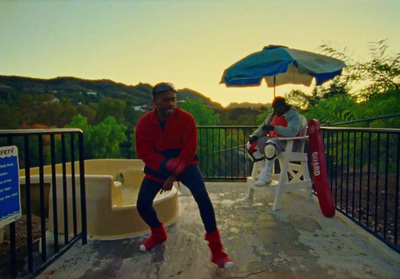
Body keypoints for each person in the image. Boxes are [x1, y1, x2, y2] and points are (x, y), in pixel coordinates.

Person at [135, 82, 234, 269]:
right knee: (142, 205)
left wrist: (173, 176)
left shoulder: (186, 119)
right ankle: (158, 234)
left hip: (185, 163)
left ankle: (217, 250)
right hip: (158, 165)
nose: (171, 104)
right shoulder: (144, 123)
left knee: (203, 198)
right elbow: (144, 151)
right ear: (154, 101)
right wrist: (166, 167)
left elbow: (189, 149)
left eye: (173, 100)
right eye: (165, 101)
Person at [248, 96, 301, 186]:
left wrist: (274, 128)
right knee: (250, 145)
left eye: (277, 107)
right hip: (273, 141)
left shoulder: (292, 115)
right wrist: (255, 135)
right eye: (274, 107)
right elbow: (263, 127)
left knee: (270, 146)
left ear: (283, 106)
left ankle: (266, 176)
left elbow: (292, 131)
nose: (275, 110)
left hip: (288, 144)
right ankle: (263, 171)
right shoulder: (272, 116)